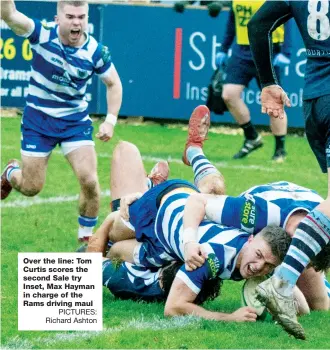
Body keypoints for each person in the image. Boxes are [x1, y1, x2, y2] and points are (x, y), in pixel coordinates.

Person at [0, 0, 123, 242]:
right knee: (31, 187)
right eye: (70, 17)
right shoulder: (42, 34)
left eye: (81, 17)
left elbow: (114, 83)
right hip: (38, 122)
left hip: (74, 124)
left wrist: (110, 120)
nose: (77, 22)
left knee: (89, 180)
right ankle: (10, 172)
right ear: (58, 19)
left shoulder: (95, 52)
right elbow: (9, 14)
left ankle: (86, 239)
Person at [246, 0, 330, 339]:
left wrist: (267, 82)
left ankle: (283, 282)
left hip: (316, 101)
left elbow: (257, 25)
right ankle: (281, 283)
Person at [216, 0, 292, 161]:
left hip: (268, 48)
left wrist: (286, 52)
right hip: (241, 51)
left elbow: (288, 22)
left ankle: (280, 149)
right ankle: (252, 137)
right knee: (229, 94)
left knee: (274, 102)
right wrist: (223, 48)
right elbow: (232, 21)